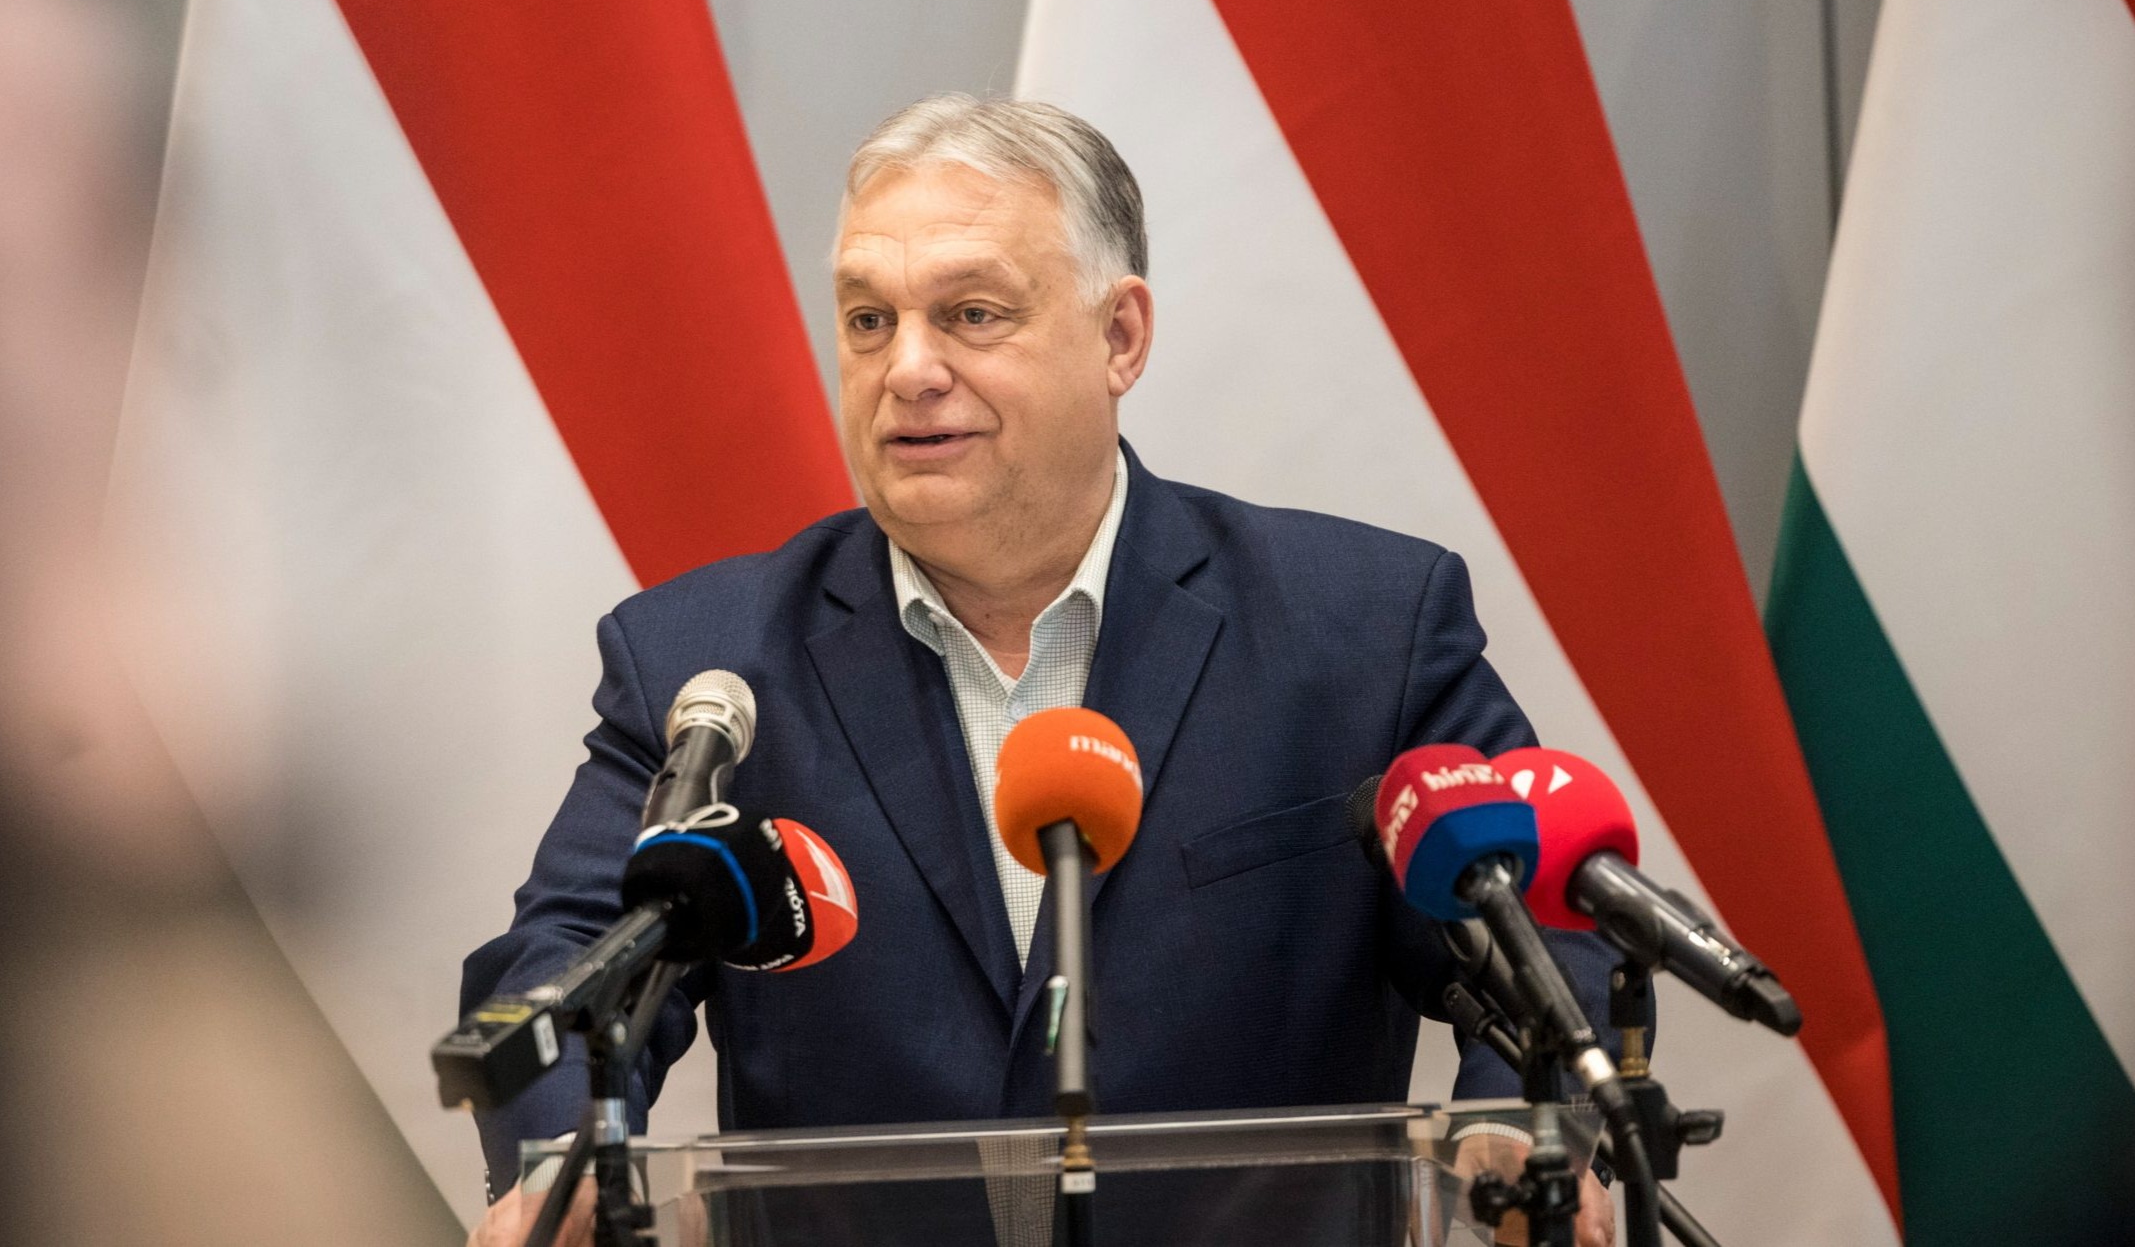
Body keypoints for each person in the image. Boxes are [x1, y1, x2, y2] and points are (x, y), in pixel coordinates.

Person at [461, 95, 1626, 1245]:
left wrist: (1516, 1129)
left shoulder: (1360, 628)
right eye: (868, 320)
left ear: (1120, 337)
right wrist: (562, 1167)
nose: (908, 368)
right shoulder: (710, 665)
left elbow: (1549, 925)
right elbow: (560, 969)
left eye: (971, 314)